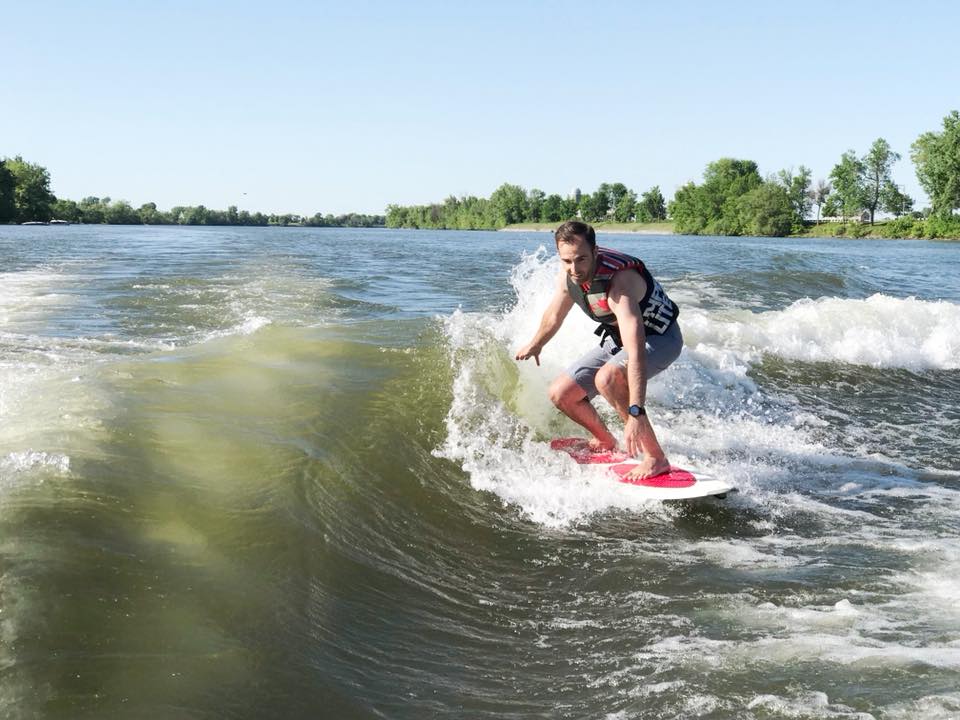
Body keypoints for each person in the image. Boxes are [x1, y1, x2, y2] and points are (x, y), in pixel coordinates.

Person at [515, 221, 683, 480]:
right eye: (567, 260)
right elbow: (553, 315)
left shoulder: (620, 285)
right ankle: (605, 441)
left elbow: (636, 350)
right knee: (561, 394)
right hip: (618, 339)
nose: (574, 268)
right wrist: (537, 343)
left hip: (660, 339)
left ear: (595, 252)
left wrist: (636, 412)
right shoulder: (569, 273)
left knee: (607, 378)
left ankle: (656, 458)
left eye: (581, 259)